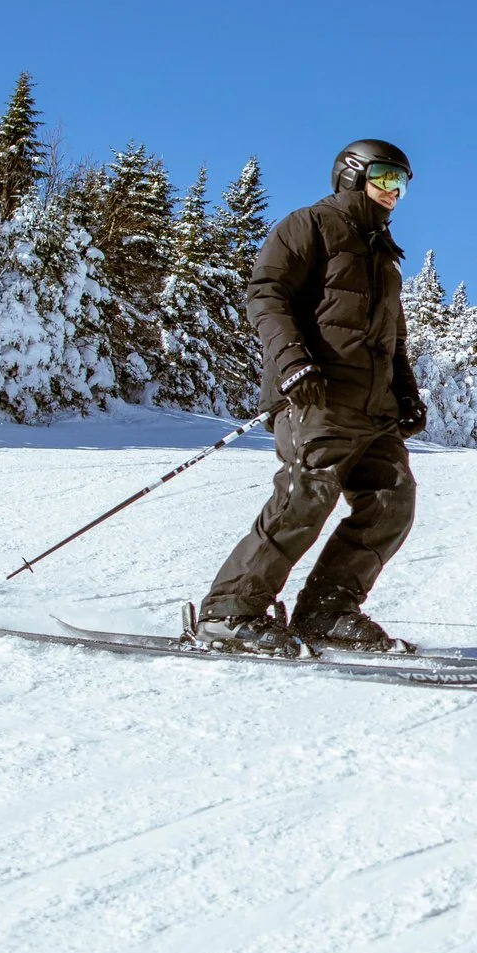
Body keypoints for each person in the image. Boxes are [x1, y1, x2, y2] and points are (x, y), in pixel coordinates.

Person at [200, 139, 430, 655]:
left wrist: (406, 394)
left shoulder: (385, 259)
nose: (395, 191)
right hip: (315, 396)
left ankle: (327, 611)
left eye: (403, 183)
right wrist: (293, 363)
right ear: (352, 174)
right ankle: (229, 613)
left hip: (374, 411)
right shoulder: (310, 226)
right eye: (386, 177)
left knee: (392, 504)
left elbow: (393, 339)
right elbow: (267, 295)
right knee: (307, 496)